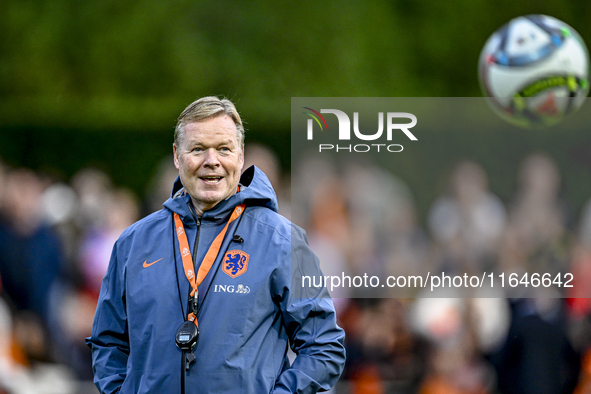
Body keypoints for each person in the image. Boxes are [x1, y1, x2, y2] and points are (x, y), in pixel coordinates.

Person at [86, 96, 346, 394]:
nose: (212, 161)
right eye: (198, 149)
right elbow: (108, 341)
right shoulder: (133, 243)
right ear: (176, 156)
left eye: (224, 148)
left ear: (240, 155)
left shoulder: (281, 240)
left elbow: (323, 346)